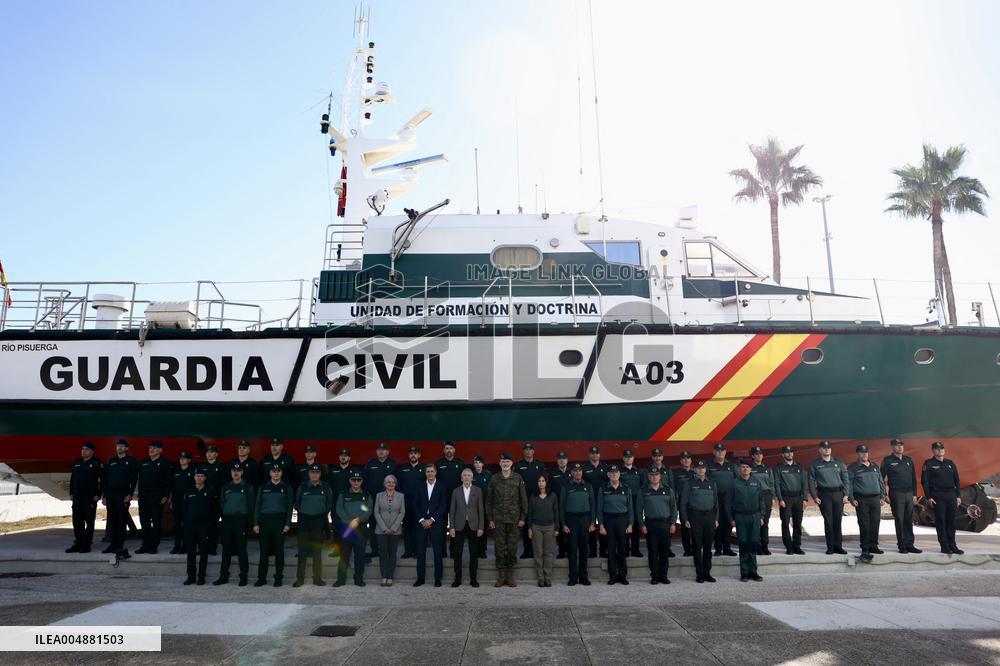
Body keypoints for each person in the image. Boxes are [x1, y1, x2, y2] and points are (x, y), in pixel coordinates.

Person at [486, 453, 528, 587]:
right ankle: (501, 576)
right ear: (500, 463)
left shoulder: (518, 478)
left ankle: (509, 576)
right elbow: (489, 501)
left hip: (514, 520)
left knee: (512, 548)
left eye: (507, 461)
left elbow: (523, 499)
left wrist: (522, 518)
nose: (505, 464)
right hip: (498, 520)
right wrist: (490, 519)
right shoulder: (494, 479)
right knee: (499, 548)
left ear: (511, 463)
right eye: (503, 462)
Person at [214, 462, 255, 586]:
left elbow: (251, 506)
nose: (236, 473)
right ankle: (223, 576)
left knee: (242, 550)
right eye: (234, 470)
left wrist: (249, 525)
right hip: (227, 521)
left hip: (240, 520)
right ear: (231, 472)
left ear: (242, 472)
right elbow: (222, 504)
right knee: (226, 550)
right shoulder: (226, 487)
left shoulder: (248, 487)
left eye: (238, 470)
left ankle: (243, 577)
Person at [293, 463, 333, 587]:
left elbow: (329, 504)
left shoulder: (325, 487)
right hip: (304, 521)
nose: (314, 475)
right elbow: (297, 503)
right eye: (312, 472)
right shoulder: (303, 487)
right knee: (303, 552)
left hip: (319, 521)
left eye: (317, 473)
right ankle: (300, 579)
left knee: (317, 552)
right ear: (309, 474)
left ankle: (317, 578)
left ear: (320, 474)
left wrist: (320, 515)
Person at [253, 464, 293, 587]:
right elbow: (257, 506)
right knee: (264, 551)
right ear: (270, 473)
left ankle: (278, 578)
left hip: (279, 521)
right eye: (274, 471)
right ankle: (261, 578)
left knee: (279, 552)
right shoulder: (264, 486)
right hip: (264, 521)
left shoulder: (286, 487)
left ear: (281, 473)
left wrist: (287, 523)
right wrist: (255, 523)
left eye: (278, 471)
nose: (276, 473)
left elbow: (289, 507)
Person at [808, 441, 850, 555]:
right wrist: (815, 496)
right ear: (820, 450)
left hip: (838, 494)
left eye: (829, 448)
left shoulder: (839, 463)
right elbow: (811, 481)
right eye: (824, 448)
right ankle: (830, 547)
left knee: (838, 521)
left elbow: (846, 480)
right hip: (824, 495)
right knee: (828, 521)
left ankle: (838, 546)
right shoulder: (815, 464)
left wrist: (846, 494)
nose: (827, 450)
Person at [922, 442, 964, 555]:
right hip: (938, 496)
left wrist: (958, 496)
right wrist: (928, 497)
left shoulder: (950, 463)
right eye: (937, 449)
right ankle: (944, 546)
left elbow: (957, 480)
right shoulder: (929, 464)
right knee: (941, 521)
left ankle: (953, 545)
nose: (940, 450)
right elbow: (925, 482)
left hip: (951, 495)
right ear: (933, 451)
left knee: (951, 521)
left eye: (941, 448)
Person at [681, 460, 719, 583]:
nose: (701, 470)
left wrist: (716, 518)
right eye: (698, 468)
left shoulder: (712, 483)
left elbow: (716, 503)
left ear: (705, 469)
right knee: (697, 546)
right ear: (694, 469)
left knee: (708, 546)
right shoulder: (689, 483)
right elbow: (683, 503)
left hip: (709, 517)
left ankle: (707, 572)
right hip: (695, 517)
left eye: (702, 468)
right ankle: (699, 574)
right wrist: (685, 519)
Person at [848, 444, 886, 562]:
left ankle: (873, 546)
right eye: (862, 452)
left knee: (875, 522)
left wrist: (883, 496)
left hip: (875, 499)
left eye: (866, 452)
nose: (864, 454)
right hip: (861, 499)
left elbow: (881, 482)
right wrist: (851, 498)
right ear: (858, 454)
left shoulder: (874, 466)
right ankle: (865, 548)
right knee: (864, 524)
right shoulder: (853, 468)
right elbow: (849, 484)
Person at [882, 438, 921, 554]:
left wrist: (915, 494)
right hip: (896, 493)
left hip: (909, 493)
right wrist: (884, 494)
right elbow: (881, 478)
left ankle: (910, 544)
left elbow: (914, 479)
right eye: (897, 445)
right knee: (899, 519)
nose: (900, 447)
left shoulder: (908, 460)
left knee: (909, 519)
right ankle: (902, 545)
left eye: (901, 445)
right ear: (892, 447)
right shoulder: (888, 461)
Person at [334, 470, 372, 587]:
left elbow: (369, 510)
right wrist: (349, 521)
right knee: (344, 555)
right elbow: (339, 509)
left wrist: (358, 520)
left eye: (358, 480)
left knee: (359, 555)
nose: (356, 482)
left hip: (361, 528)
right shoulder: (343, 494)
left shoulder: (366, 495)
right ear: (350, 481)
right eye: (354, 480)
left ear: (362, 481)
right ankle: (341, 579)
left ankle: (358, 579)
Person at [102, 438, 138, 559]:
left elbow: (134, 479)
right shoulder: (112, 461)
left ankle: (119, 545)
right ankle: (112, 544)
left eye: (122, 446)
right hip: (111, 495)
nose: (119, 448)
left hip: (123, 495)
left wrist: (130, 494)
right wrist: (105, 495)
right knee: (112, 520)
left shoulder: (131, 461)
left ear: (127, 448)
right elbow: (106, 480)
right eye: (118, 446)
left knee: (121, 520)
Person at [560, 463, 596, 586]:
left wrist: (592, 522)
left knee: (584, 550)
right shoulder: (566, 487)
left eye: (580, 470)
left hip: (585, 519)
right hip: (571, 520)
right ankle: (573, 577)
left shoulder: (588, 486)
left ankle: (583, 576)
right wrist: (563, 524)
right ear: (571, 473)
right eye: (575, 471)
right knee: (572, 549)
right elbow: (561, 507)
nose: (578, 473)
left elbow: (592, 505)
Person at [730, 460, 766, 582]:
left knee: (754, 543)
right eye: (743, 467)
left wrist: (762, 516)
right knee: (744, 544)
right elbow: (728, 503)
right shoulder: (734, 483)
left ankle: (753, 572)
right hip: (740, 517)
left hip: (754, 516)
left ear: (751, 469)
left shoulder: (756, 482)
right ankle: (744, 573)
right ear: (740, 469)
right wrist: (731, 519)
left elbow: (761, 500)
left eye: (747, 467)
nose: (745, 469)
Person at [597, 465, 633, 585]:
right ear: (608, 475)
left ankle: (623, 575)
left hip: (622, 520)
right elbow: (599, 509)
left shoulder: (626, 489)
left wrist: (630, 524)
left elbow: (630, 509)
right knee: (611, 549)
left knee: (622, 548)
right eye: (611, 473)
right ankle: (612, 575)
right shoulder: (603, 488)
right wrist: (601, 525)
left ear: (619, 474)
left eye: (616, 473)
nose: (614, 475)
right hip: (609, 520)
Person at [641, 466, 678, 584]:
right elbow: (638, 510)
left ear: (660, 476)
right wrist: (642, 525)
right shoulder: (644, 491)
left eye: (656, 475)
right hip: (651, 523)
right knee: (652, 551)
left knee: (664, 551)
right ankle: (654, 576)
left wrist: (673, 523)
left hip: (665, 523)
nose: (654, 477)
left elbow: (673, 508)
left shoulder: (668, 490)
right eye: (651, 475)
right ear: (648, 477)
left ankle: (663, 575)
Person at [414, 463, 448, 587]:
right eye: (427, 471)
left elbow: (443, 505)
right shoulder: (419, 486)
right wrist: (422, 520)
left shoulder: (442, 486)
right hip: (421, 523)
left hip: (436, 522)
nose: (430, 473)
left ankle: (438, 579)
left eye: (432, 471)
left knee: (437, 551)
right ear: (425, 473)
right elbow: (415, 504)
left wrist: (432, 519)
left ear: (436, 472)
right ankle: (420, 578)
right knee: (421, 552)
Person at [449, 468, 485, 587]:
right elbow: (452, 511)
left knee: (474, 553)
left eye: (469, 475)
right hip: (459, 526)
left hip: (474, 525)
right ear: (461, 477)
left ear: (472, 477)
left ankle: (473, 579)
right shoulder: (456, 491)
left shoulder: (478, 491)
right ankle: (457, 578)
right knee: (457, 553)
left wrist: (481, 527)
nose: (466, 477)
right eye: (464, 475)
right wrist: (451, 527)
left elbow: (481, 510)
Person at [137, 440, 173, 555]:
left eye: (154, 448)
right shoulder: (144, 462)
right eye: (150, 448)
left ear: (160, 450)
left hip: (157, 497)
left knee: (156, 522)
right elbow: (141, 480)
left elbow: (169, 481)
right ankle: (145, 544)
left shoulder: (164, 463)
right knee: (144, 521)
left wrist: (166, 496)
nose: (151, 450)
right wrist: (139, 494)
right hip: (144, 497)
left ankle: (154, 545)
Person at [67, 442, 103, 554]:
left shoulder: (97, 463)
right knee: (77, 521)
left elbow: (103, 480)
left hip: (90, 498)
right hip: (77, 497)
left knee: (89, 521)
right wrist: (71, 493)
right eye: (82, 449)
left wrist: (99, 494)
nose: (83, 451)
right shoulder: (77, 463)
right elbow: (73, 479)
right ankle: (78, 543)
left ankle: (87, 544)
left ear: (92, 451)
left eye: (86, 449)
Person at [364, 443, 398, 562]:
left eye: (384, 450)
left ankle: (387, 551)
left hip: (388, 500)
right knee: (374, 524)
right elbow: (365, 480)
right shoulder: (370, 464)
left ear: (388, 452)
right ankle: (374, 550)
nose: (381, 452)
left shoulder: (393, 464)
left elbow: (397, 482)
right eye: (379, 449)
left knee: (388, 523)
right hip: (374, 500)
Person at [182, 467, 215, 585]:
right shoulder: (188, 491)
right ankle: (191, 576)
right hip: (190, 526)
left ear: (205, 478)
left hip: (204, 526)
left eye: (201, 476)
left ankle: (201, 576)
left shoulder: (210, 491)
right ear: (194, 477)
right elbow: (184, 509)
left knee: (203, 552)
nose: (199, 478)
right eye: (197, 476)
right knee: (190, 552)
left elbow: (213, 510)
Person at [515, 442, 546, 559]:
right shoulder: (518, 466)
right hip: (524, 500)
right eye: (526, 450)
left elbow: (544, 481)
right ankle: (526, 550)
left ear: (533, 451)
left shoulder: (540, 465)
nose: (528, 451)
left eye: (530, 449)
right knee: (526, 526)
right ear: (523, 452)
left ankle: (536, 551)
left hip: (537, 500)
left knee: (536, 525)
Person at [527, 475, 559, 587]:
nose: (541, 483)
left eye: (543, 480)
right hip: (536, 527)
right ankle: (540, 578)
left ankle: (548, 577)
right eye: (539, 481)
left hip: (550, 527)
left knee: (548, 553)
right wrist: (529, 528)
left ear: (546, 482)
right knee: (538, 553)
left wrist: (556, 528)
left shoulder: (552, 496)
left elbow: (556, 512)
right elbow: (529, 513)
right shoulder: (533, 496)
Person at [773, 445, 806, 555]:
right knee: (785, 523)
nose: (789, 454)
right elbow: (776, 484)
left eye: (791, 452)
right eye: (787, 452)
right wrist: (780, 499)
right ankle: (789, 547)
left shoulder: (799, 466)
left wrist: (805, 498)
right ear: (783, 455)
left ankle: (797, 546)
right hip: (786, 499)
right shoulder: (779, 467)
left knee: (798, 523)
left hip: (798, 498)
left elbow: (803, 483)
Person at [374, 474, 405, 586]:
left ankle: (390, 576)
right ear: (385, 484)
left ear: (395, 484)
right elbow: (376, 512)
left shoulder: (401, 496)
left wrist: (393, 528)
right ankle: (384, 576)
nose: (390, 484)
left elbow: (402, 512)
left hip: (395, 530)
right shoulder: (379, 495)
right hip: (381, 530)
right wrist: (384, 528)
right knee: (382, 554)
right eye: (388, 482)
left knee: (392, 553)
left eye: (392, 482)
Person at [436, 441, 465, 558]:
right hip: (442, 499)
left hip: (457, 499)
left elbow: (465, 481)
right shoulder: (438, 464)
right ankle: (442, 551)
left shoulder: (460, 463)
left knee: (456, 526)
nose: (449, 450)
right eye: (446, 448)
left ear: (454, 450)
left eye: (451, 448)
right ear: (444, 450)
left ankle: (454, 551)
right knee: (441, 527)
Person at [708, 443, 738, 556]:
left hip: (729, 499)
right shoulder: (709, 465)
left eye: (722, 450)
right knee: (717, 523)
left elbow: (737, 480)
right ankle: (718, 548)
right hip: (716, 498)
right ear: (714, 452)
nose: (720, 452)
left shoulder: (732, 465)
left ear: (725, 452)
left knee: (728, 523)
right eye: (718, 450)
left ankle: (727, 548)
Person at [396, 446, 424, 559]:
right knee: (407, 528)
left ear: (419, 455)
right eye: (411, 453)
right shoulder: (402, 468)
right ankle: (408, 550)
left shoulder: (424, 468)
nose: (413, 455)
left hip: (420, 504)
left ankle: (417, 551)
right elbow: (398, 486)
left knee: (419, 528)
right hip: (406, 503)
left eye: (416, 453)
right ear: (409, 455)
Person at [581, 446, 609, 558]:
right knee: (591, 525)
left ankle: (603, 550)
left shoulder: (605, 467)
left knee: (603, 525)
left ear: (599, 455)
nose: (594, 455)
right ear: (589, 455)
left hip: (603, 500)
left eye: (596, 453)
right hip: (590, 501)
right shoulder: (584, 468)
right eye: (592, 453)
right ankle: (592, 550)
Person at [748, 446, 774, 555]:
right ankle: (756, 546)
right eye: (757, 454)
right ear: (753, 456)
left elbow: (771, 483)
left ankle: (765, 546)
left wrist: (772, 497)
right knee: (755, 522)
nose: (759, 456)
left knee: (765, 522)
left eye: (761, 454)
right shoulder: (749, 468)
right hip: (754, 496)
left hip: (766, 496)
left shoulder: (767, 468)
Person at [201, 445, 226, 555]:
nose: (209, 454)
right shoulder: (202, 467)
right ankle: (203, 547)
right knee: (204, 525)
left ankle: (213, 547)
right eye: (207, 452)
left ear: (216, 454)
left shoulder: (221, 466)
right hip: (204, 500)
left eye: (211, 452)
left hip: (217, 500)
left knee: (215, 525)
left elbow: (224, 484)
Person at [169, 451, 196, 554]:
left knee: (187, 525)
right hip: (177, 501)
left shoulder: (193, 472)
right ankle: (176, 546)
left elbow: (194, 488)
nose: (182, 460)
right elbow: (173, 488)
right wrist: (171, 501)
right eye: (181, 458)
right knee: (177, 525)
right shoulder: (176, 472)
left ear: (189, 460)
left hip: (188, 502)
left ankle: (185, 546)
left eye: (184, 458)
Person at [619, 449, 644, 558]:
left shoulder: (638, 470)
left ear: (633, 458)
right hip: (623, 501)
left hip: (636, 501)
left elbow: (643, 486)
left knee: (636, 526)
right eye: (626, 457)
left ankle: (635, 550)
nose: (628, 458)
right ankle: (624, 550)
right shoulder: (619, 471)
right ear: (623, 458)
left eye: (630, 457)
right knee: (624, 526)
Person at [670, 451, 694, 556]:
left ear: (691, 460)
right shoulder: (676, 473)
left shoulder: (695, 472)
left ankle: (696, 548)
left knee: (695, 528)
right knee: (685, 527)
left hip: (694, 504)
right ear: (680, 460)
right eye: (683, 458)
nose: (686, 460)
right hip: (682, 504)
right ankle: (687, 550)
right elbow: (673, 488)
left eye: (688, 458)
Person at [548, 452, 571, 559]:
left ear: (567, 460)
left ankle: (570, 550)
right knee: (559, 529)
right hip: (557, 505)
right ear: (557, 461)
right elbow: (550, 491)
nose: (562, 461)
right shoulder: (552, 474)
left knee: (571, 529)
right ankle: (562, 550)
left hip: (570, 505)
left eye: (564, 458)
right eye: (560, 459)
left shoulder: (572, 472)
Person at [471, 455, 492, 558]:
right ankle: (475, 550)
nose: (477, 464)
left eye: (479, 462)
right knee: (474, 529)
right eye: (475, 462)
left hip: (484, 506)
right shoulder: (471, 475)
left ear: (483, 464)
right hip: (473, 507)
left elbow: (491, 491)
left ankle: (483, 550)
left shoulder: (488, 475)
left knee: (483, 529)